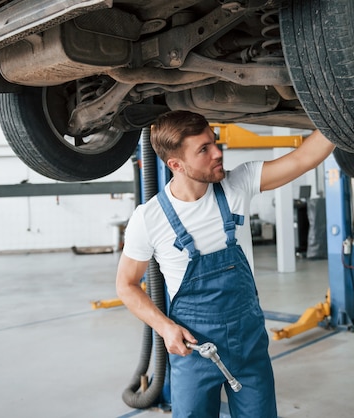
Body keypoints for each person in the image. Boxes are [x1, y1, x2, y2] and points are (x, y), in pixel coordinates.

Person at [116, 110, 335, 417]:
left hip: (248, 345)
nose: (218, 153)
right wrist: (165, 328)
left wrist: (340, 111)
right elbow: (126, 285)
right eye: (204, 150)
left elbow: (304, 159)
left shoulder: (238, 184)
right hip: (193, 349)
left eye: (214, 142)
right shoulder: (149, 219)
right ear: (175, 165)